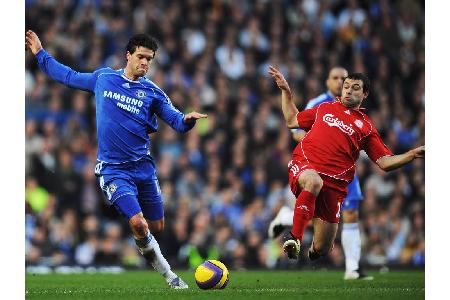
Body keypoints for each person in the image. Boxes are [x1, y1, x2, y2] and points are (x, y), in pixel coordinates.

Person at [26, 30, 208, 289]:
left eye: (150, 59)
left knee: (157, 225)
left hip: (144, 169)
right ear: (128, 55)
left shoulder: (153, 92)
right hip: (113, 170)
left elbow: (176, 120)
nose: (145, 63)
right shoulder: (104, 78)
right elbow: (68, 76)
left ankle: (142, 239)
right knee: (139, 223)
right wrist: (41, 55)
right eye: (141, 57)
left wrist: (187, 121)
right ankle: (171, 277)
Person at [268, 66, 424, 269]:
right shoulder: (325, 108)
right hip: (305, 165)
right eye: (346, 86)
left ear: (365, 94)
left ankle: (307, 241)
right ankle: (294, 238)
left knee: (323, 248)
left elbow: (384, 162)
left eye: (355, 88)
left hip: (335, 186)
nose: (349, 90)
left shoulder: (366, 127)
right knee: (314, 181)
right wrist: (286, 92)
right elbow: (291, 120)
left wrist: (412, 154)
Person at [268, 67, 372, 279]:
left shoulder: (356, 112)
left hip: (344, 171)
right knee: (319, 215)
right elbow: (297, 132)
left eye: (344, 79)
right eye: (335, 78)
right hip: (319, 166)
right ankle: (290, 219)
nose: (340, 82)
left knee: (351, 213)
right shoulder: (320, 104)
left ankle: (352, 268)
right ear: (327, 81)